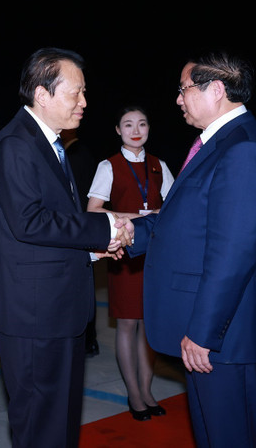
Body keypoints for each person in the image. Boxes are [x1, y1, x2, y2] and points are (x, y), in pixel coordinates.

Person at [128, 52, 256, 447]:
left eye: (183, 89)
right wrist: (124, 233)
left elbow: (232, 253)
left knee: (233, 437)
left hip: (223, 339)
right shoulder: (219, 143)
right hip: (214, 336)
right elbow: (185, 223)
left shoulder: (241, 149)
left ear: (215, 90)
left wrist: (202, 333)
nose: (178, 100)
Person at [0, 47, 133, 448]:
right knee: (40, 425)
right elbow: (29, 221)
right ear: (42, 94)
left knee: (61, 423)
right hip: (34, 314)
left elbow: (43, 232)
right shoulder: (16, 143)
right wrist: (104, 225)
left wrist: (89, 250)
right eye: (76, 93)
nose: (84, 103)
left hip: (57, 309)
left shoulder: (51, 144)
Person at [87, 105, 174, 420]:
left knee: (149, 324)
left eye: (142, 123)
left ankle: (148, 391)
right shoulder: (108, 166)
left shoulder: (158, 165)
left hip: (155, 255)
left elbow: (175, 208)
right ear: (118, 130)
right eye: (128, 124)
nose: (135, 129)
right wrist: (139, 216)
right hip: (124, 254)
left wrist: (159, 216)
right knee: (127, 324)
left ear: (149, 128)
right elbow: (93, 210)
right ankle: (134, 395)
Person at [60, 126, 101, 357]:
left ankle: (87, 338)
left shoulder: (75, 154)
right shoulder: (75, 152)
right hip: (81, 227)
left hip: (79, 227)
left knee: (83, 285)